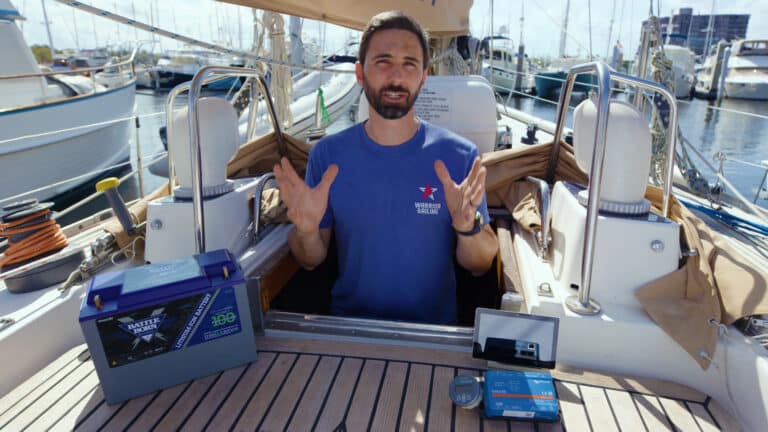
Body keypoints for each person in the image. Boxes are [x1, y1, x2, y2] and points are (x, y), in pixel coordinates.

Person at [273, 10, 498, 324]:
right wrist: (306, 231)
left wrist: (467, 228)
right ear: (360, 73)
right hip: (349, 328)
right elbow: (310, 260)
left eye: (409, 64)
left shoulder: (459, 156)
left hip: (434, 334)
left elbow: (480, 265)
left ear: (423, 77)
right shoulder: (327, 156)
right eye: (383, 61)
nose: (396, 77)